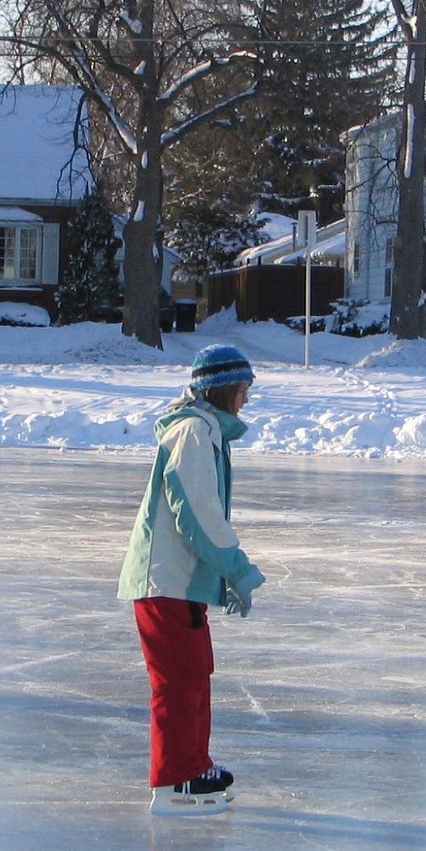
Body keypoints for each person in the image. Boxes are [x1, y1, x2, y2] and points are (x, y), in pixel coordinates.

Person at [117, 344, 266, 815]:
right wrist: (234, 566)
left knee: (195, 673)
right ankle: (176, 780)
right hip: (165, 581)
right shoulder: (193, 432)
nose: (245, 400)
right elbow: (196, 510)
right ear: (221, 389)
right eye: (242, 390)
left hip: (179, 581)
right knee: (179, 681)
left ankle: (193, 766)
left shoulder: (204, 431)